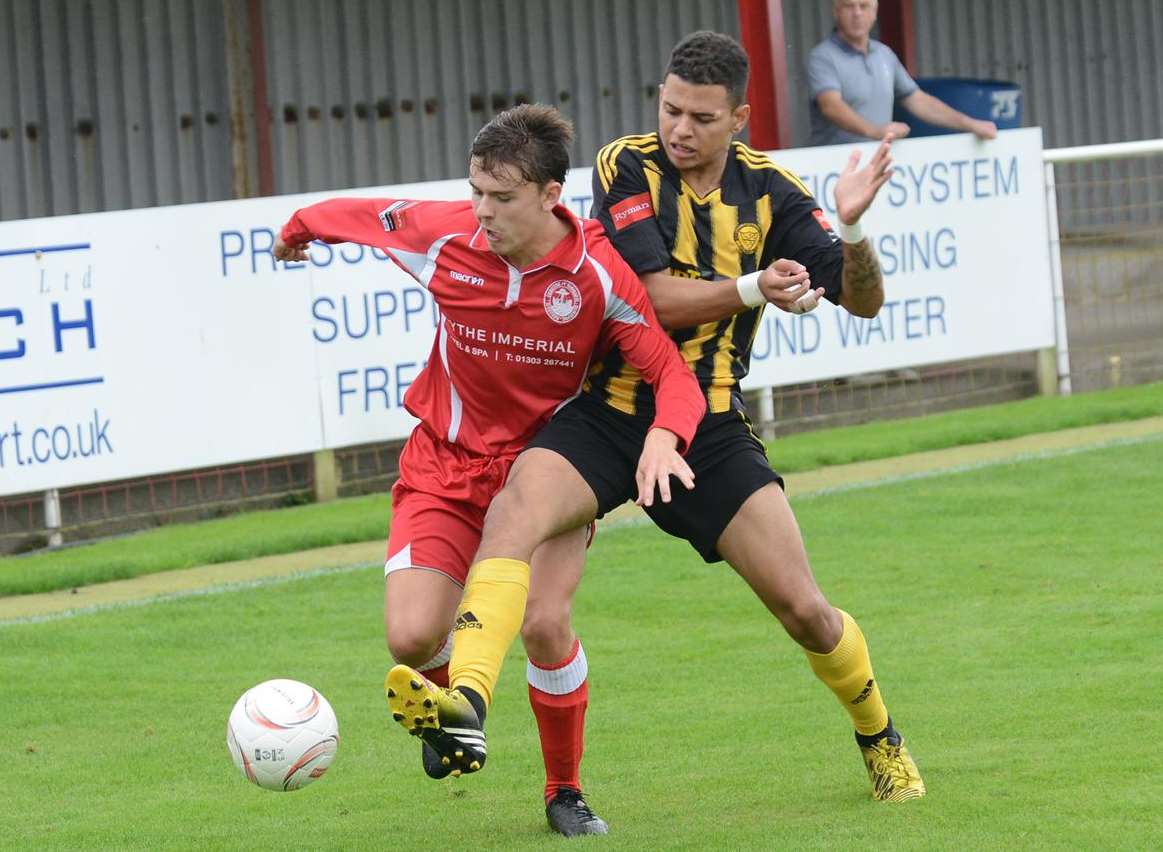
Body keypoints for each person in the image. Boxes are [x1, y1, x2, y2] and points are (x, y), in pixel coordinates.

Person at [386, 30, 925, 811]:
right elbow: (648, 297)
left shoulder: (770, 196)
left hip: (704, 425)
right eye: (670, 108)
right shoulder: (624, 164)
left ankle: (879, 738)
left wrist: (847, 229)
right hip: (604, 416)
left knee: (804, 609)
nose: (678, 128)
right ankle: (466, 702)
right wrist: (750, 290)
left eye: (701, 117)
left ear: (739, 117)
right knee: (514, 513)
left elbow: (862, 299)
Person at [274, 104, 705, 835]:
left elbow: (671, 372)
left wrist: (666, 436)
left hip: (545, 470)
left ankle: (563, 791)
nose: (482, 211)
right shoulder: (447, 236)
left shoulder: (596, 274)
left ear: (548, 196)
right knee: (410, 640)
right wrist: (296, 231)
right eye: (475, 191)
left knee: (543, 622)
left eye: (501, 198)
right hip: (442, 464)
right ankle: (455, 718)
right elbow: (358, 212)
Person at [809, 0, 997, 146]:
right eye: (849, 6)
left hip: (877, 160)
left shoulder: (884, 54)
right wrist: (876, 132)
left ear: (874, 12)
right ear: (836, 12)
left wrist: (971, 125)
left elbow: (917, 100)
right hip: (836, 164)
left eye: (864, 6)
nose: (857, 13)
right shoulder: (822, 57)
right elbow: (831, 106)